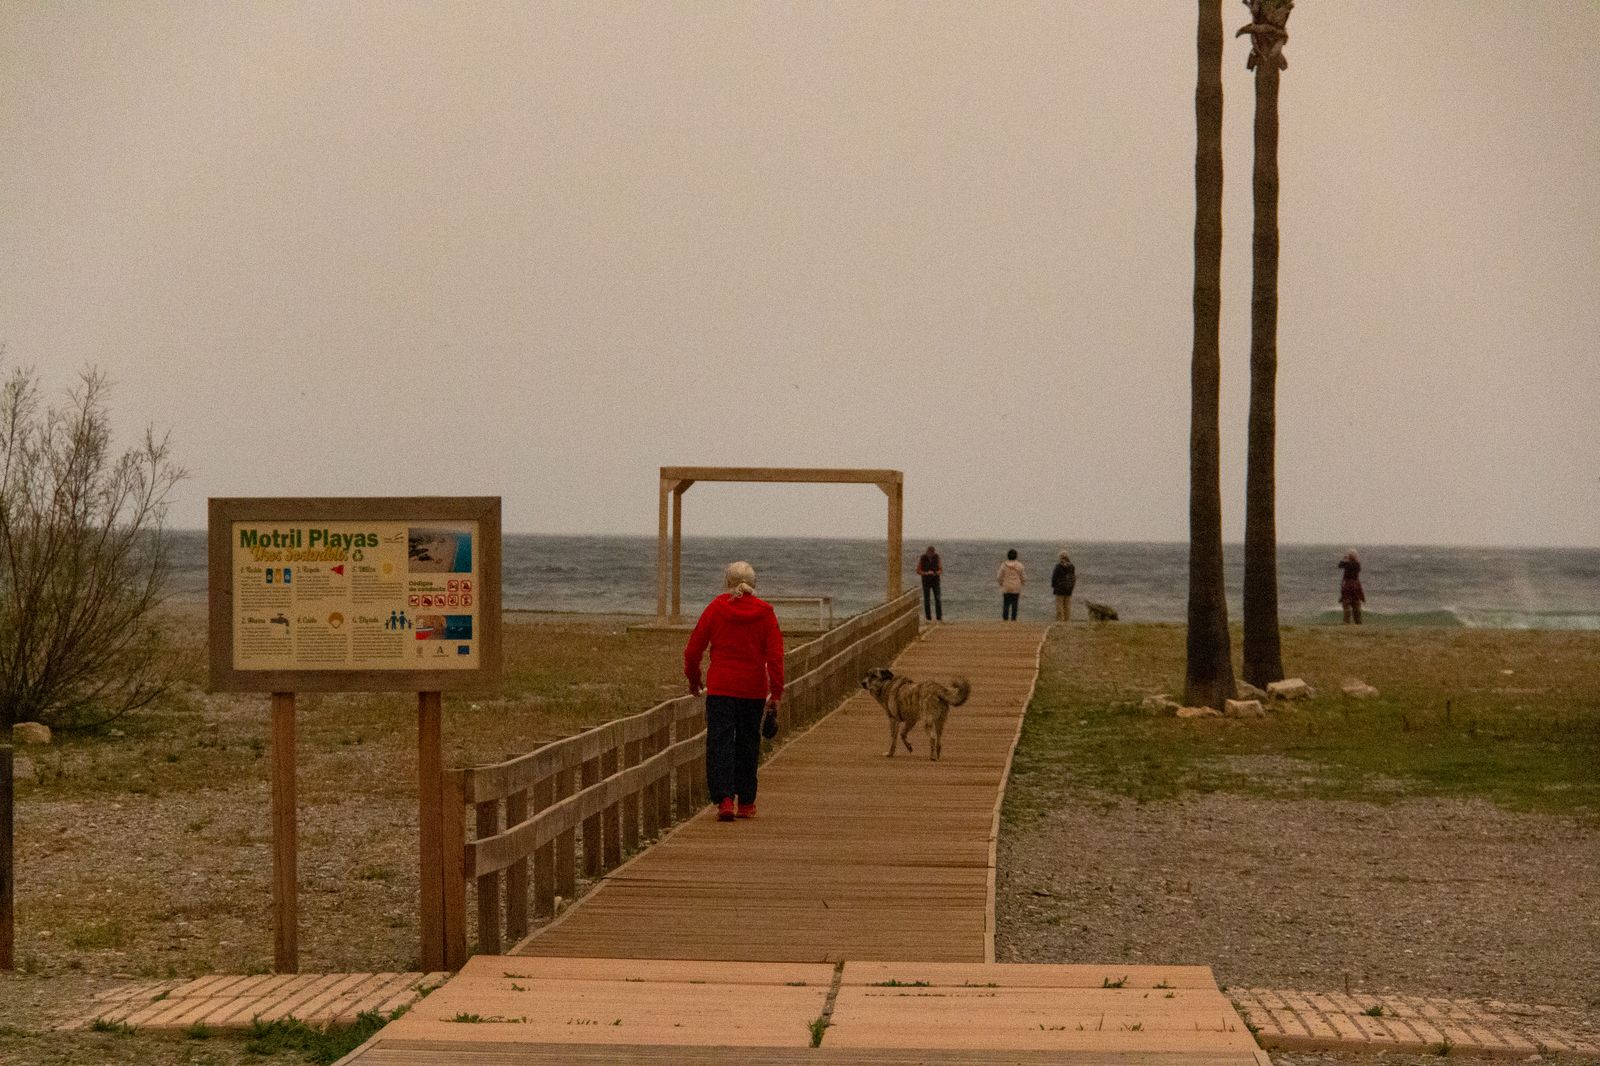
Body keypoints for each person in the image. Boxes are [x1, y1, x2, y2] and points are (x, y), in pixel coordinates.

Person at [684, 561, 784, 820]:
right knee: (748, 744)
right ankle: (747, 803)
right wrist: (777, 693)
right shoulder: (765, 612)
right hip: (752, 689)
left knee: (720, 744)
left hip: (721, 688)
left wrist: (694, 681)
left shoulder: (716, 609)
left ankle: (725, 800)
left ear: (727, 583)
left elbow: (693, 651)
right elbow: (775, 657)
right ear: (754, 584)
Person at [915, 545, 943, 622]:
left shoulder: (937, 558)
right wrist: (926, 573)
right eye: (929, 553)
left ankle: (939, 618)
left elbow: (940, 569)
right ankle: (928, 618)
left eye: (932, 554)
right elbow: (918, 570)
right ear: (927, 552)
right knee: (927, 600)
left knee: (938, 599)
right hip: (926, 581)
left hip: (935, 581)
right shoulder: (923, 558)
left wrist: (936, 573)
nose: (930, 555)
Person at [996, 548, 1025, 621]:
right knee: (1014, 604)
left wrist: (1001, 583)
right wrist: (1022, 583)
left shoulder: (1003, 565)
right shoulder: (1019, 565)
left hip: (1006, 587)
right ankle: (1013, 619)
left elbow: (999, 576)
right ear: (1016, 556)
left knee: (1006, 604)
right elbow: (1023, 576)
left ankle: (1005, 619)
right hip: (1016, 587)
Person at [1338, 550, 1365, 625]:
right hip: (1356, 584)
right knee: (1356, 603)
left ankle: (1346, 621)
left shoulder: (1348, 564)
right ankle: (1358, 622)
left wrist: (1345, 558)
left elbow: (1340, 565)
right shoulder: (1357, 564)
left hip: (1348, 585)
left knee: (1346, 603)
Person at [1050, 549, 1076, 622]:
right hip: (1069, 588)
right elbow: (1073, 577)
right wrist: (1072, 586)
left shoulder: (1058, 566)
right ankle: (1067, 620)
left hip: (1059, 588)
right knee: (1067, 606)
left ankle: (1060, 620)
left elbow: (1054, 577)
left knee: (1059, 605)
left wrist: (1054, 586)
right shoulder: (1071, 566)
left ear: (1060, 557)